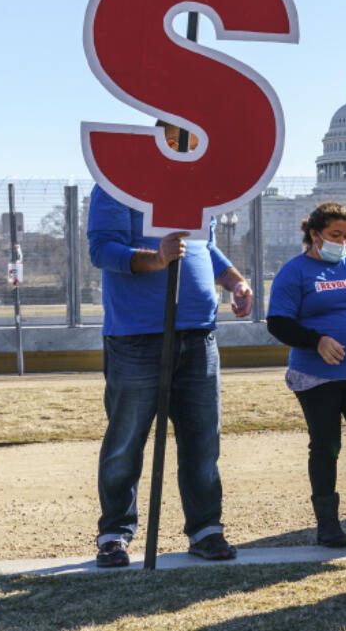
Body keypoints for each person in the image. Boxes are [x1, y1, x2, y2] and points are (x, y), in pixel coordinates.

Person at [88, 121, 252, 567]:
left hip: (199, 332)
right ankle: (114, 534)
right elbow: (101, 249)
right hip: (136, 336)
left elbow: (206, 248)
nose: (191, 148)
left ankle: (206, 529)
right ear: (161, 138)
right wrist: (156, 259)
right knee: (126, 439)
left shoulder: (197, 187)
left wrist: (235, 281)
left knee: (202, 438)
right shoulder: (116, 183)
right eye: (185, 140)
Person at [266, 202, 346, 547]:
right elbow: (278, 322)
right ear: (314, 234)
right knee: (326, 446)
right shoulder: (294, 272)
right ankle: (328, 525)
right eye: (335, 235)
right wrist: (316, 341)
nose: (342, 241)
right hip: (316, 376)